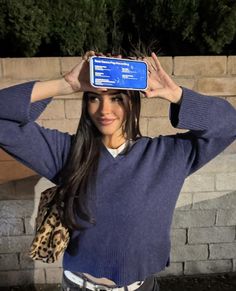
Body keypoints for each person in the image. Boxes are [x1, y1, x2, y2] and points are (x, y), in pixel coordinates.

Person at [0, 51, 235, 291]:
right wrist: (65, 84)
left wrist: (177, 95)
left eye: (117, 98)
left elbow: (229, 124)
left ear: (133, 101)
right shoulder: (67, 153)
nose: (104, 109)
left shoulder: (168, 155)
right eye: (94, 98)